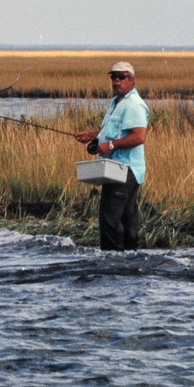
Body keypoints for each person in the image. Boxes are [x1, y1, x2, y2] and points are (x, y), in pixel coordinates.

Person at [75, 62, 150, 251]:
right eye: (113, 77)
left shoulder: (133, 105)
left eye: (121, 77)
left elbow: (139, 136)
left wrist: (109, 146)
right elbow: (114, 133)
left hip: (124, 169)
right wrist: (93, 136)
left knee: (109, 220)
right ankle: (129, 262)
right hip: (117, 169)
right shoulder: (116, 102)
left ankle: (111, 264)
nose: (116, 80)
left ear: (131, 80)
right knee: (127, 219)